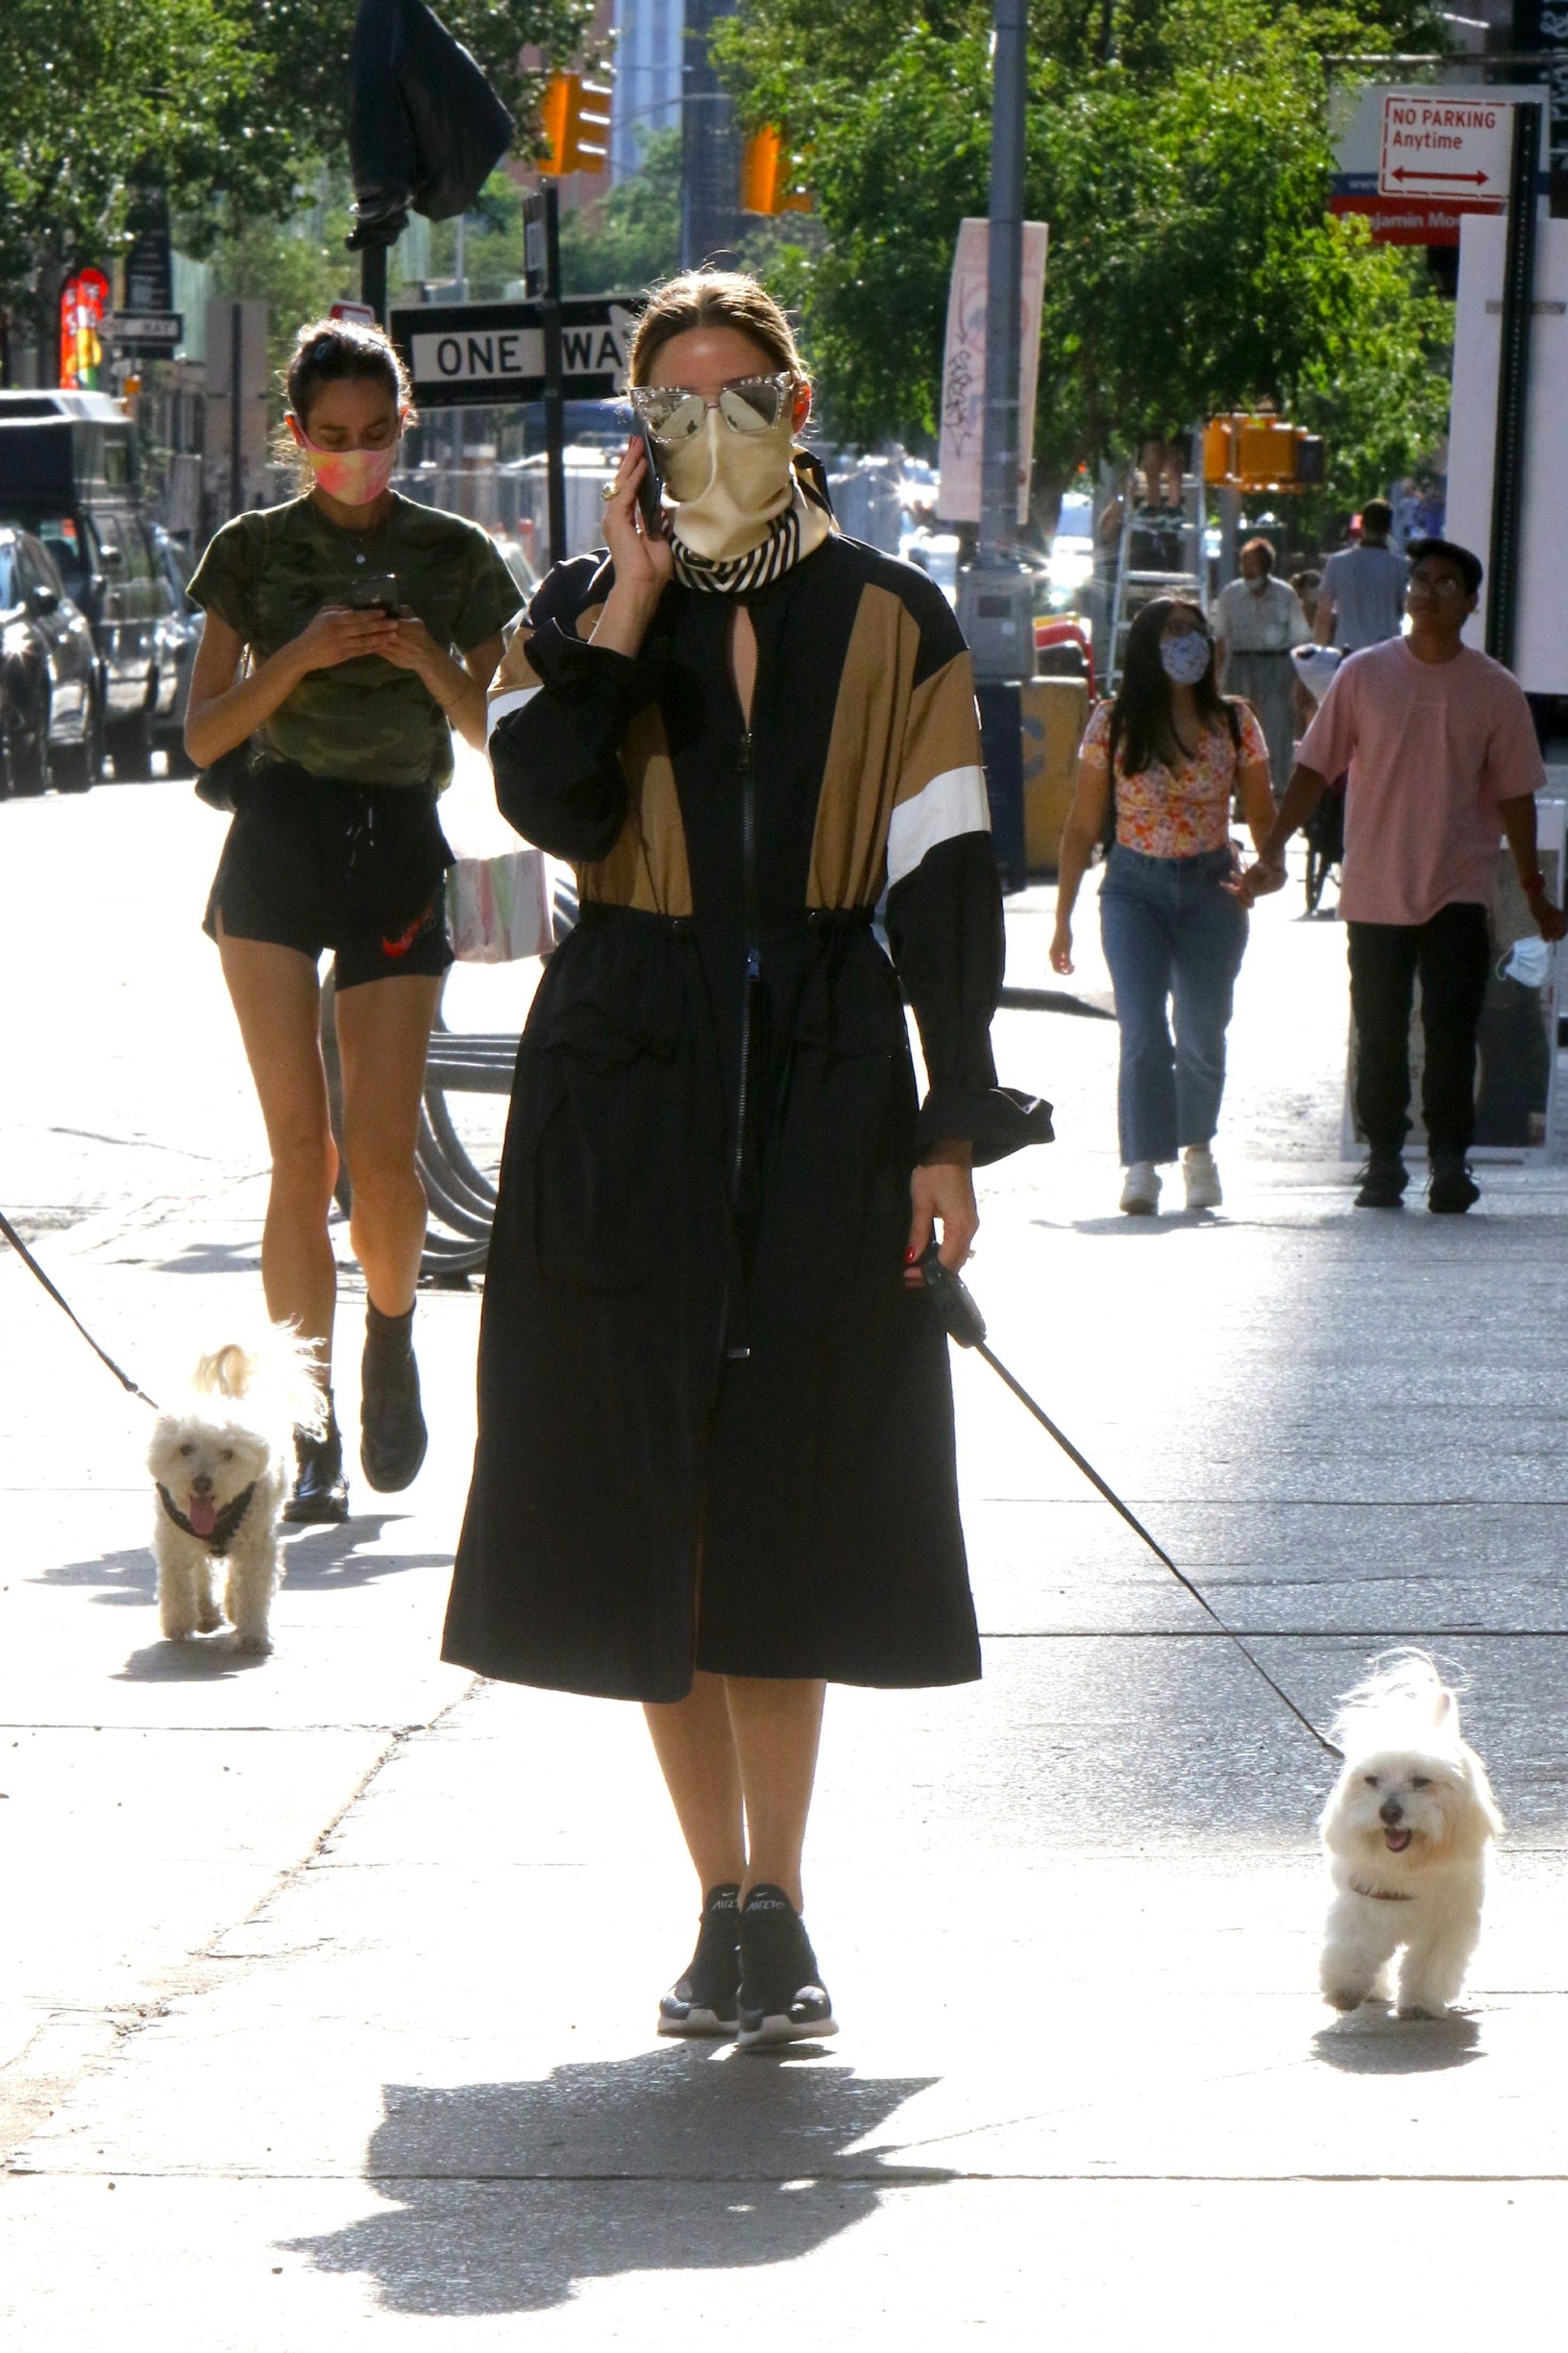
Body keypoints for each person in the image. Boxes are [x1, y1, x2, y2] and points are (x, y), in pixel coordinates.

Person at [440, 269, 1049, 2047]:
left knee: (786, 1483)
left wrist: (950, 1121)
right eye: (673, 406)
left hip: (826, 1066)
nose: (710, 430)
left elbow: (945, 883)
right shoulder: (580, 612)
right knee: (654, 1490)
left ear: (796, 406)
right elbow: (543, 803)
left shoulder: (896, 617)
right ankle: (715, 1895)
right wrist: (628, 594)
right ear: (636, 437)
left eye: (739, 396)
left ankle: (777, 1901)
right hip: (625, 1061)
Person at [184, 318, 522, 1519]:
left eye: (377, 436)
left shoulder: (456, 553)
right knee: (300, 1154)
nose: (355, 458)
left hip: (394, 845)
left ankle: (390, 1330)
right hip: (276, 838)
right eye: (331, 439)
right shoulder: (253, 552)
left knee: (380, 1162)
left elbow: (505, 735)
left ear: (405, 426)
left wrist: (433, 662)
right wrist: (303, 656)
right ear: (297, 436)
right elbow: (204, 731)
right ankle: (300, 1420)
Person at [1231, 537, 1566, 1212]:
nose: (1429, 590)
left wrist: (1534, 891)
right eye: (1421, 579)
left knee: (1449, 1032)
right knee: (1380, 1031)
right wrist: (1271, 852)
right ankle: (1383, 1159)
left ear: (1470, 603)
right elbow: (1314, 769)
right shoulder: (1363, 675)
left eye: (1447, 583)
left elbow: (1515, 799)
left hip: (1458, 891)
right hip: (1375, 889)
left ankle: (1449, 1160)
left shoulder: (1495, 691)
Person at [1050, 599, 1276, 1214]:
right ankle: (1143, 1166)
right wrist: (1062, 919)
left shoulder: (1236, 723)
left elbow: (1264, 820)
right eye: (1174, 633)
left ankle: (1197, 1150)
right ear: (1148, 647)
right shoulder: (1113, 722)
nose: (1188, 644)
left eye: (1196, 632)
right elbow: (1079, 827)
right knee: (1143, 1029)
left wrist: (1265, 871)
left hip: (1212, 889)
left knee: (1203, 1029)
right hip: (1133, 889)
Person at [1213, 539, 1311, 794]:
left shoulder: (1285, 595)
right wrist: (1216, 679)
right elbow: (1221, 639)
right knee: (1239, 729)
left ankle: (1277, 788)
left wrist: (1301, 682)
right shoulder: (1231, 595)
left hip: (1277, 665)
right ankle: (1238, 791)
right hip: (1241, 665)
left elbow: (1301, 639)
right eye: (1245, 565)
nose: (1249, 571)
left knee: (1277, 728)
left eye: (1254, 565)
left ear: (1267, 566)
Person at [1314, 496, 1407, 651]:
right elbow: (1403, 609)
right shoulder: (1399, 566)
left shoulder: (1337, 562)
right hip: (1386, 652)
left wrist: (1319, 650)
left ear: (1361, 524)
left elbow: (1324, 613)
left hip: (1348, 652)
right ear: (1389, 528)